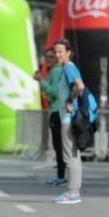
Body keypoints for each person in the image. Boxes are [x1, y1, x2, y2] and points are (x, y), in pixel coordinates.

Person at [51, 39, 85, 204]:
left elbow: (80, 86)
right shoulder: (67, 68)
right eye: (55, 52)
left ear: (68, 52)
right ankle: (73, 190)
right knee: (73, 155)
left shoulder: (69, 68)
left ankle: (72, 192)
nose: (57, 55)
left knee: (69, 155)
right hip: (68, 116)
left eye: (60, 51)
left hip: (68, 117)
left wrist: (70, 100)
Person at [37, 47, 66, 184]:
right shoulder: (57, 70)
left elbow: (54, 92)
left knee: (59, 145)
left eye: (51, 56)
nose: (48, 59)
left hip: (57, 111)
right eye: (46, 57)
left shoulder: (55, 71)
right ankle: (62, 174)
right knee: (60, 145)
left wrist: (41, 80)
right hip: (58, 110)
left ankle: (62, 176)